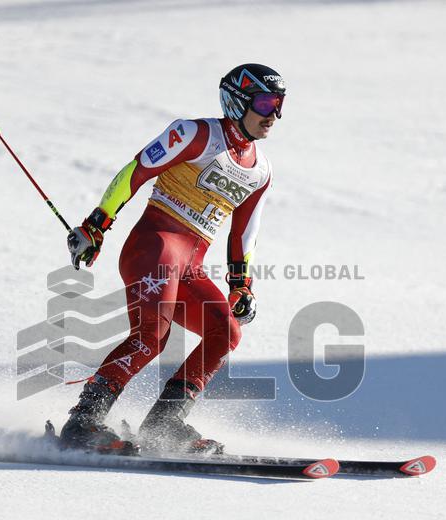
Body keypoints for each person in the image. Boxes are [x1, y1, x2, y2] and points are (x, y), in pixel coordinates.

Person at [59, 63, 286, 453]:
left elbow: (244, 232)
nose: (273, 115)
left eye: (279, 105)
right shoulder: (196, 134)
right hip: (154, 248)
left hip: (189, 267)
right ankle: (83, 422)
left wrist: (241, 284)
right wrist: (97, 224)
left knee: (226, 333)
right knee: (150, 338)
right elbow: (137, 170)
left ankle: (164, 424)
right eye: (265, 104)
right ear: (237, 102)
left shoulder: (261, 171)